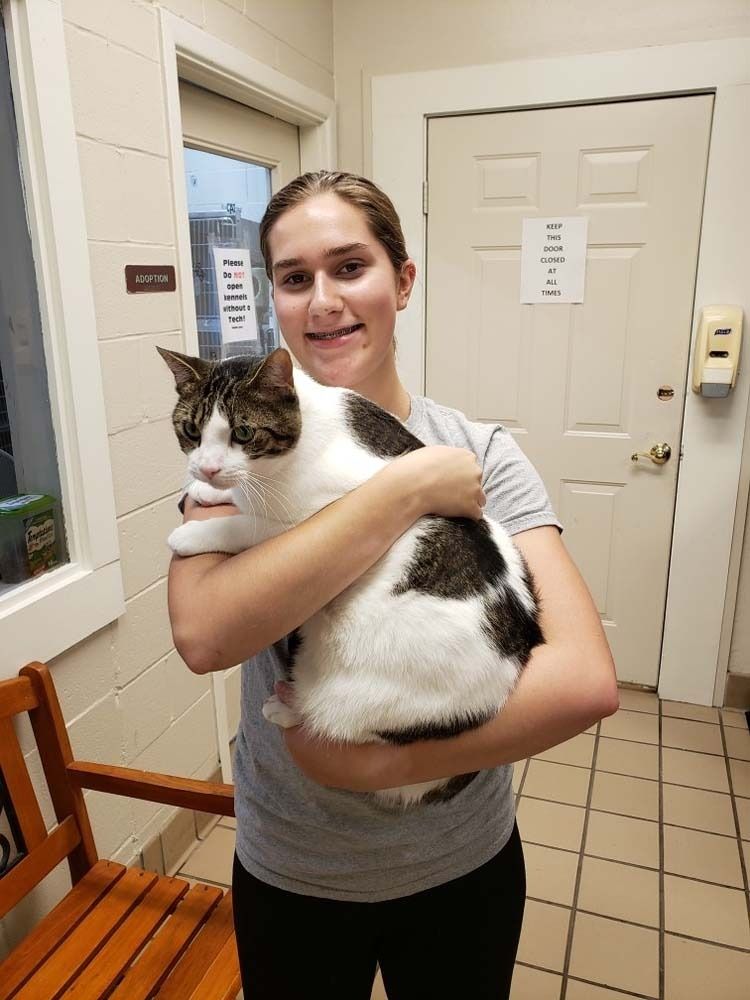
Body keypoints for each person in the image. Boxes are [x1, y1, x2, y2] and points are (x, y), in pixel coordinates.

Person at [167, 171, 619, 1000]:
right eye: (295, 278)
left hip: (459, 859)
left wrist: (375, 766)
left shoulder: (479, 448)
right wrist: (408, 490)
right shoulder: (236, 455)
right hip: (291, 865)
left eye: (350, 267)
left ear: (402, 281)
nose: (323, 300)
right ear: (275, 299)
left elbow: (586, 681)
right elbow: (204, 636)